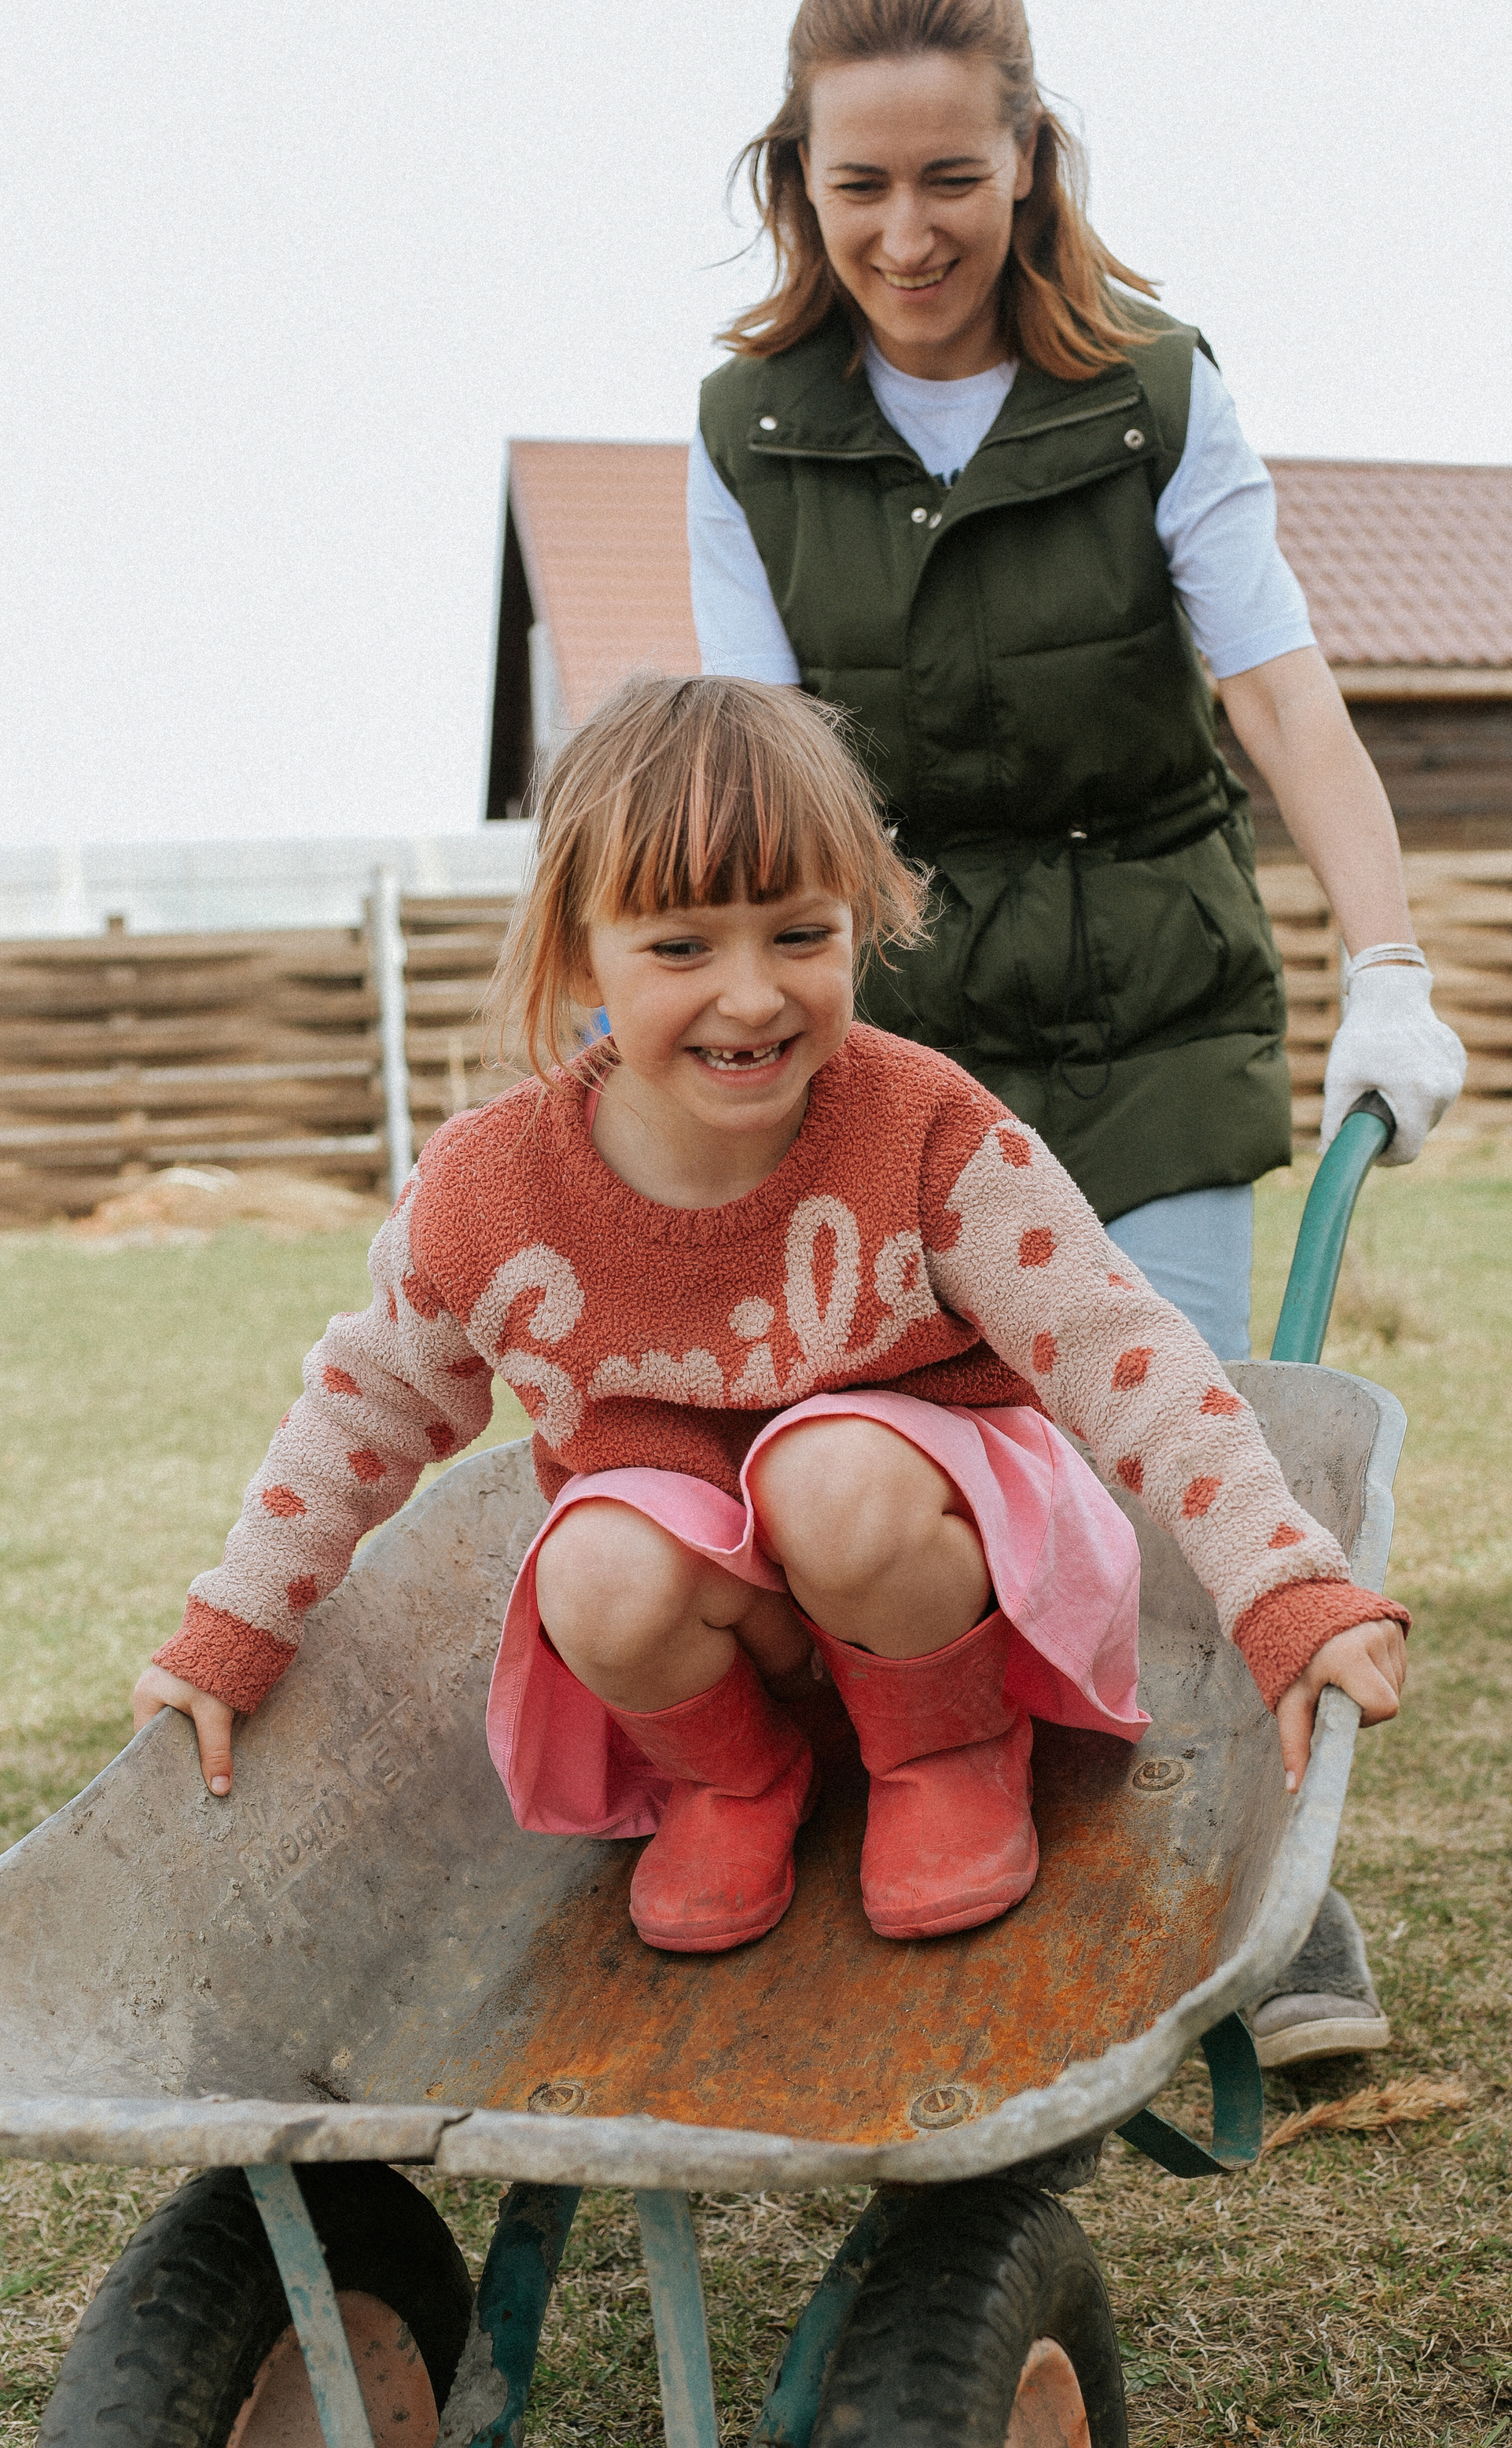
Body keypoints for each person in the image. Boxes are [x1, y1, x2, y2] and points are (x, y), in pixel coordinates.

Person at [688, 0, 1463, 2048]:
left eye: (953, 174)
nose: (910, 229)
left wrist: (1385, 958)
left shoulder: (1151, 397)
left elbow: (1285, 700)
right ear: (797, 180)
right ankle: (956, 1842)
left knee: (1174, 1452)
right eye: (862, 184)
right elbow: (763, 777)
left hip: (1152, 1008)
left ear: (1031, 157)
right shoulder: (751, 432)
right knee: (907, 1480)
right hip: (905, 1053)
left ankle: (1255, 1900)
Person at [133, 679, 1407, 1959]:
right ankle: (737, 1778)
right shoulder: (491, 1193)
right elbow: (362, 1408)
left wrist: (1282, 1585)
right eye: (682, 948)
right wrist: (236, 1624)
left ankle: (948, 1749)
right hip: (729, 1632)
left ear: (860, 923)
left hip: (931, 1566)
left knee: (830, 1470)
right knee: (592, 1563)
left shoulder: (920, 1132)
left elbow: (1117, 1350)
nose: (751, 997)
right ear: (583, 954)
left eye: (800, 935)